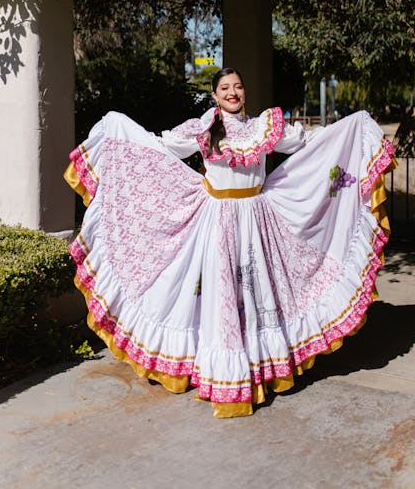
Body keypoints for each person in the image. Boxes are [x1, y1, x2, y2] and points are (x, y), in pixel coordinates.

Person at [64, 67, 395, 418]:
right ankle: (222, 370)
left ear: (245, 91)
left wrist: (350, 128)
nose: (233, 92)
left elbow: (306, 142)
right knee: (219, 292)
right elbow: (162, 147)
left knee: (256, 292)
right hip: (217, 219)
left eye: (238, 86)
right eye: (225, 87)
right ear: (214, 93)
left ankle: (257, 367)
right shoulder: (203, 127)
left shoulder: (263, 127)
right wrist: (122, 132)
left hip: (257, 217)